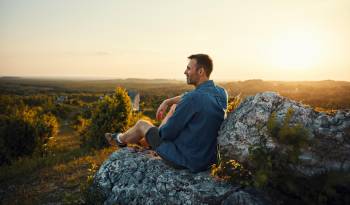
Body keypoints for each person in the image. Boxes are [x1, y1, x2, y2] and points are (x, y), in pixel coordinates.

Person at [105, 54, 228, 173]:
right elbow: (189, 97)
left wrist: (159, 127)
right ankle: (144, 141)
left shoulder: (193, 99)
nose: (185, 72)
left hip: (187, 160)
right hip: (208, 159)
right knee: (175, 106)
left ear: (200, 71)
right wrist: (168, 102)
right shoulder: (221, 93)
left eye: (189, 68)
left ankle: (119, 139)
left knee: (142, 124)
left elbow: (165, 134)